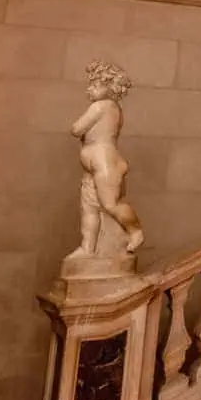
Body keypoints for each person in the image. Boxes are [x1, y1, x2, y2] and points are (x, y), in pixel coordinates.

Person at [70, 59, 145, 256]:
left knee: (111, 204)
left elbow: (76, 129)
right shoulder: (112, 108)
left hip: (106, 163)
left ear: (110, 87)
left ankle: (135, 231)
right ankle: (88, 247)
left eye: (95, 85)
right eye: (90, 85)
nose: (90, 89)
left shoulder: (101, 106)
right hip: (97, 165)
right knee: (89, 208)